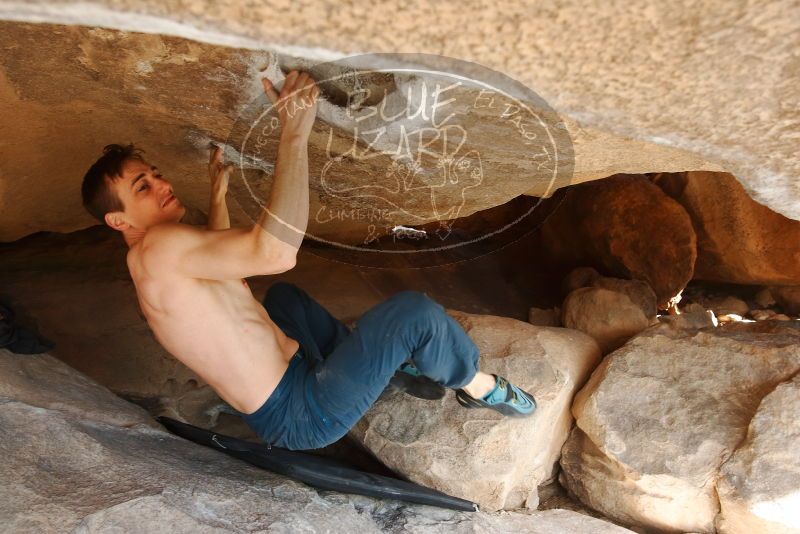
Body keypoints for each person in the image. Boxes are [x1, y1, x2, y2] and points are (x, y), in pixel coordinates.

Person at [79, 70, 536, 451]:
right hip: (303, 412)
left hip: (288, 394)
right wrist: (294, 133)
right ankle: (478, 386)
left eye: (155, 174)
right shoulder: (158, 247)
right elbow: (274, 253)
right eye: (143, 187)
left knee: (285, 301)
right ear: (118, 220)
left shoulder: (154, 258)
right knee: (414, 314)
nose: (161, 185)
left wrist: (217, 196)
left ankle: (392, 371)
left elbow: (226, 267)